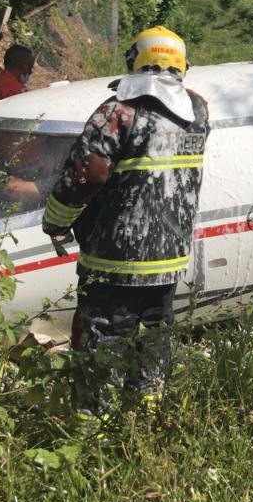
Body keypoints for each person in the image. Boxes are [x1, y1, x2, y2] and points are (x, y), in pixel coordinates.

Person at [41, 26, 210, 417]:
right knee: (154, 337)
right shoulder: (198, 110)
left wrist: (56, 220)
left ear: (136, 60)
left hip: (114, 256)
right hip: (168, 257)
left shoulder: (118, 111)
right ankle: (146, 416)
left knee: (103, 339)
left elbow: (87, 174)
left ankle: (92, 423)